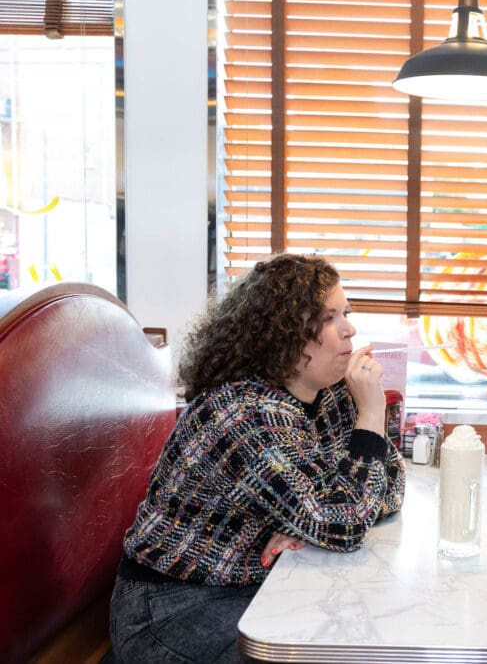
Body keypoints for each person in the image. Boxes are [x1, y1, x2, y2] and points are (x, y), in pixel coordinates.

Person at [109, 253, 405, 663]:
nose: (350, 328)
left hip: (250, 583)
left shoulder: (329, 394)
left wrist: (311, 523)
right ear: (281, 335)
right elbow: (350, 520)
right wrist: (371, 416)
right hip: (173, 606)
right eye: (328, 317)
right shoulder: (246, 415)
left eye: (347, 313)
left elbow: (388, 489)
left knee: (370, 633)